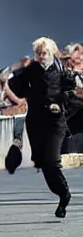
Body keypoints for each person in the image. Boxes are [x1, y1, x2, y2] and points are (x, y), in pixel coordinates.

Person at [8, 37, 75, 218]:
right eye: (38, 53)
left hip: (55, 122)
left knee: (52, 160)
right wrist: (15, 78)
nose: (41, 56)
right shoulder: (31, 69)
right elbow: (20, 90)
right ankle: (61, 194)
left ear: (51, 53)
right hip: (36, 121)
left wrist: (62, 99)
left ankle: (64, 194)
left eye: (44, 53)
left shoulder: (60, 69)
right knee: (41, 161)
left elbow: (70, 88)